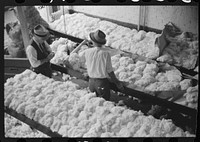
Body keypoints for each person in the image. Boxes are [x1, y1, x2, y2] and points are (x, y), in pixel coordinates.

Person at [71, 30, 124, 101]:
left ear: (93, 41)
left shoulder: (87, 52)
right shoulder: (106, 54)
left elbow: (79, 61)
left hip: (91, 82)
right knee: (104, 103)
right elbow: (110, 71)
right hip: (101, 83)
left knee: (94, 101)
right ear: (102, 43)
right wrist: (117, 82)